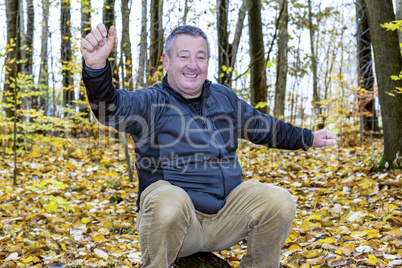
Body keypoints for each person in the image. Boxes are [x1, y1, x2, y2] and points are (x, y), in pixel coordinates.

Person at [81, 23, 337, 268]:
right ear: (166, 61)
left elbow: (264, 126)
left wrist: (308, 138)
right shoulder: (150, 102)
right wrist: (96, 68)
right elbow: (110, 107)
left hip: (226, 218)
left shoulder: (223, 97)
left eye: (200, 57)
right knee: (168, 199)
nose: (193, 65)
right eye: (183, 56)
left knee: (280, 201)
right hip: (179, 224)